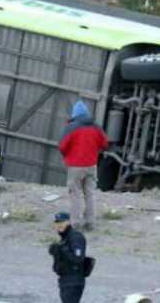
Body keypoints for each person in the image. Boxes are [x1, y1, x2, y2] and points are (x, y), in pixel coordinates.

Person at [58, 100, 108, 231]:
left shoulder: (71, 127)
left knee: (75, 194)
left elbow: (62, 146)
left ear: (75, 114)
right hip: (91, 165)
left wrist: (67, 157)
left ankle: (75, 223)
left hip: (75, 166)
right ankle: (90, 222)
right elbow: (105, 144)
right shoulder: (96, 127)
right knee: (90, 194)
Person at [49, 212, 87, 303]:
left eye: (62, 222)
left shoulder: (75, 237)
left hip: (74, 280)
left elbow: (77, 258)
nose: (59, 225)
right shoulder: (64, 238)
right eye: (57, 222)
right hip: (65, 279)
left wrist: (63, 250)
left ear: (68, 222)